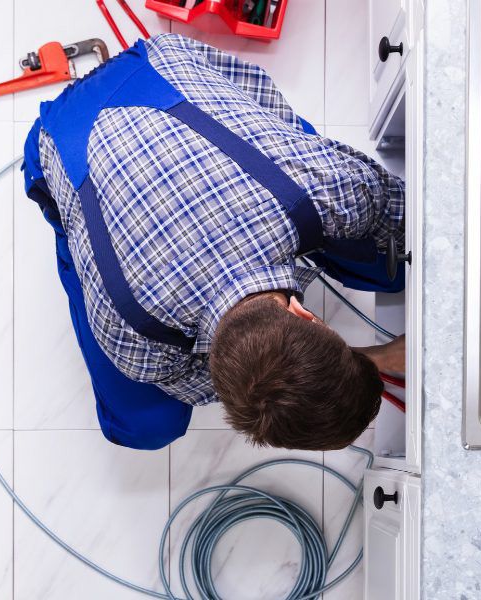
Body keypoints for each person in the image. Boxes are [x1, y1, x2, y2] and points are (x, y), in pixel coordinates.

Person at [22, 33, 405, 451]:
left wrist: (365, 361)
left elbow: (396, 208)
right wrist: (369, 358)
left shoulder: (329, 186)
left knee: (392, 265)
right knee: (145, 427)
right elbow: (225, 384)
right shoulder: (135, 342)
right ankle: (70, 233)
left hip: (157, 65)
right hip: (57, 139)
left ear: (307, 315)